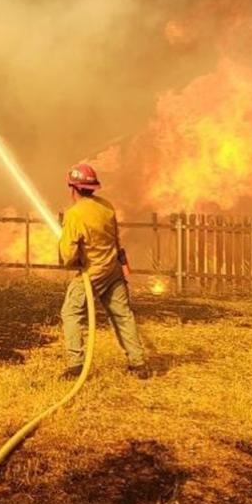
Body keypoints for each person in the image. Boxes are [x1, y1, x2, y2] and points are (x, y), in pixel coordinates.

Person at [57, 163, 150, 380]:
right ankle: (138, 363)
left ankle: (76, 365)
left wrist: (71, 256)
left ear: (73, 189)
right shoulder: (107, 207)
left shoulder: (74, 215)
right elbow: (115, 239)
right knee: (123, 315)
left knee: (70, 313)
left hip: (92, 274)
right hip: (113, 270)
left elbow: (69, 255)